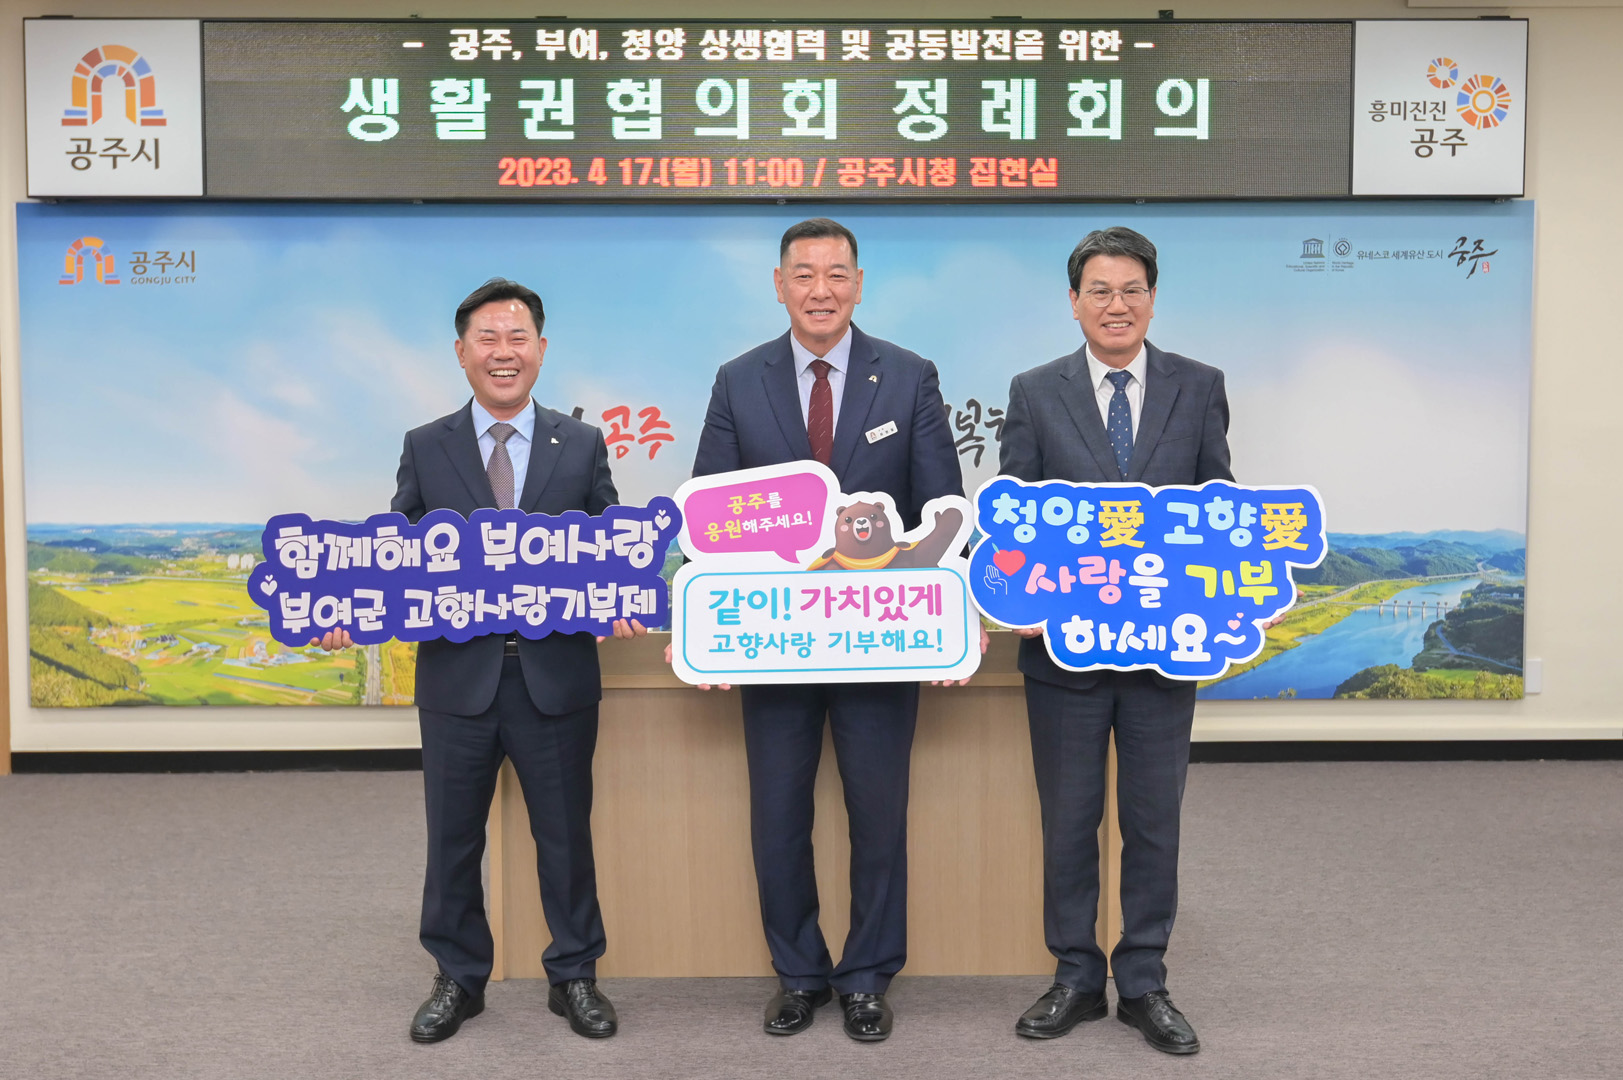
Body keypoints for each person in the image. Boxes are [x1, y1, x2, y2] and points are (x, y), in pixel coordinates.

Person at [317, 278, 644, 1044]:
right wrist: (348, 606)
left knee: (565, 837)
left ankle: (575, 976)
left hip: (554, 677)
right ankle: (458, 978)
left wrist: (622, 591)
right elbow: (394, 547)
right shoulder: (426, 444)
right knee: (452, 840)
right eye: (488, 339)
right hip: (457, 679)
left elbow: (611, 540)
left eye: (517, 337)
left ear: (541, 349)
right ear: (462, 353)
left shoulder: (579, 443)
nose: (504, 352)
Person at [687, 218, 976, 1042]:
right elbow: (712, 517)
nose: (821, 290)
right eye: (804, 274)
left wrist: (951, 618)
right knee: (777, 815)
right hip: (774, 642)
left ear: (858, 283)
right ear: (779, 285)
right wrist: (701, 626)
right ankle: (799, 974)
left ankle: (868, 976)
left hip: (879, 639)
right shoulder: (738, 380)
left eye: (836, 274)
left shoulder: (908, 376)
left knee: (877, 815)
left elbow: (940, 509)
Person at [998, 227, 1232, 1055]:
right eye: (1099, 290)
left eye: (1131, 289)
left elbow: (1218, 507)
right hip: (1063, 655)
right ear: (1074, 302)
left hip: (1162, 654)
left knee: (1152, 822)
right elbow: (1013, 517)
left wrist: (1238, 586)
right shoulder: (1034, 391)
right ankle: (1073, 975)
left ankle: (1142, 981)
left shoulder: (1198, 386)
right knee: (1069, 821)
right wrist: (1018, 590)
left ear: (1152, 299)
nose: (1116, 305)